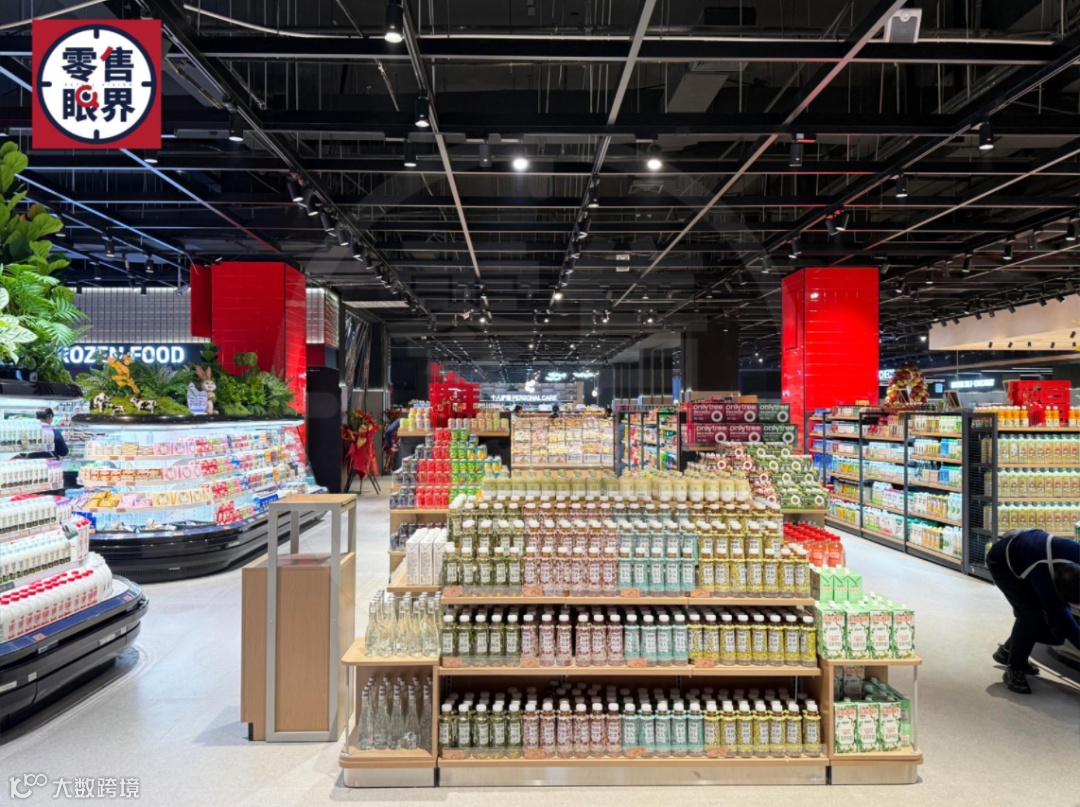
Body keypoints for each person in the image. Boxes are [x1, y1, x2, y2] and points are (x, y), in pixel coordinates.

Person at [986, 528, 1080, 694]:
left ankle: (1007, 651)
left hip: (1032, 552)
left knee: (1048, 627)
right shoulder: (1044, 579)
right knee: (1031, 617)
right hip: (1002, 562)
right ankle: (1015, 668)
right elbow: (1063, 621)